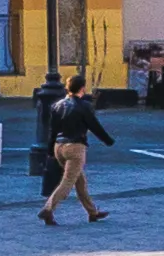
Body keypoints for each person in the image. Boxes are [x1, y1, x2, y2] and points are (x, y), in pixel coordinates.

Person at [31, 69, 117, 225]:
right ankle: (48, 209)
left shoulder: (57, 105)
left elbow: (53, 130)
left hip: (59, 147)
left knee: (80, 181)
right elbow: (94, 126)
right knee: (68, 181)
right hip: (75, 148)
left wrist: (50, 150)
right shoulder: (85, 106)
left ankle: (92, 212)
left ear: (67, 88)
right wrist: (108, 141)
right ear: (82, 88)